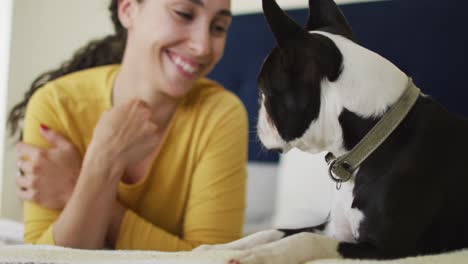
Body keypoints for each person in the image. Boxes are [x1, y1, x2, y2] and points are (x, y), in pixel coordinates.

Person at [7, 0, 248, 251]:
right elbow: (42, 259)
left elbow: (215, 259)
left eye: (219, 27)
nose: (202, 46)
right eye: (184, 14)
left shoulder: (220, 114)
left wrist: (79, 186)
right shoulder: (56, 104)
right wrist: (104, 163)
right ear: (128, 9)